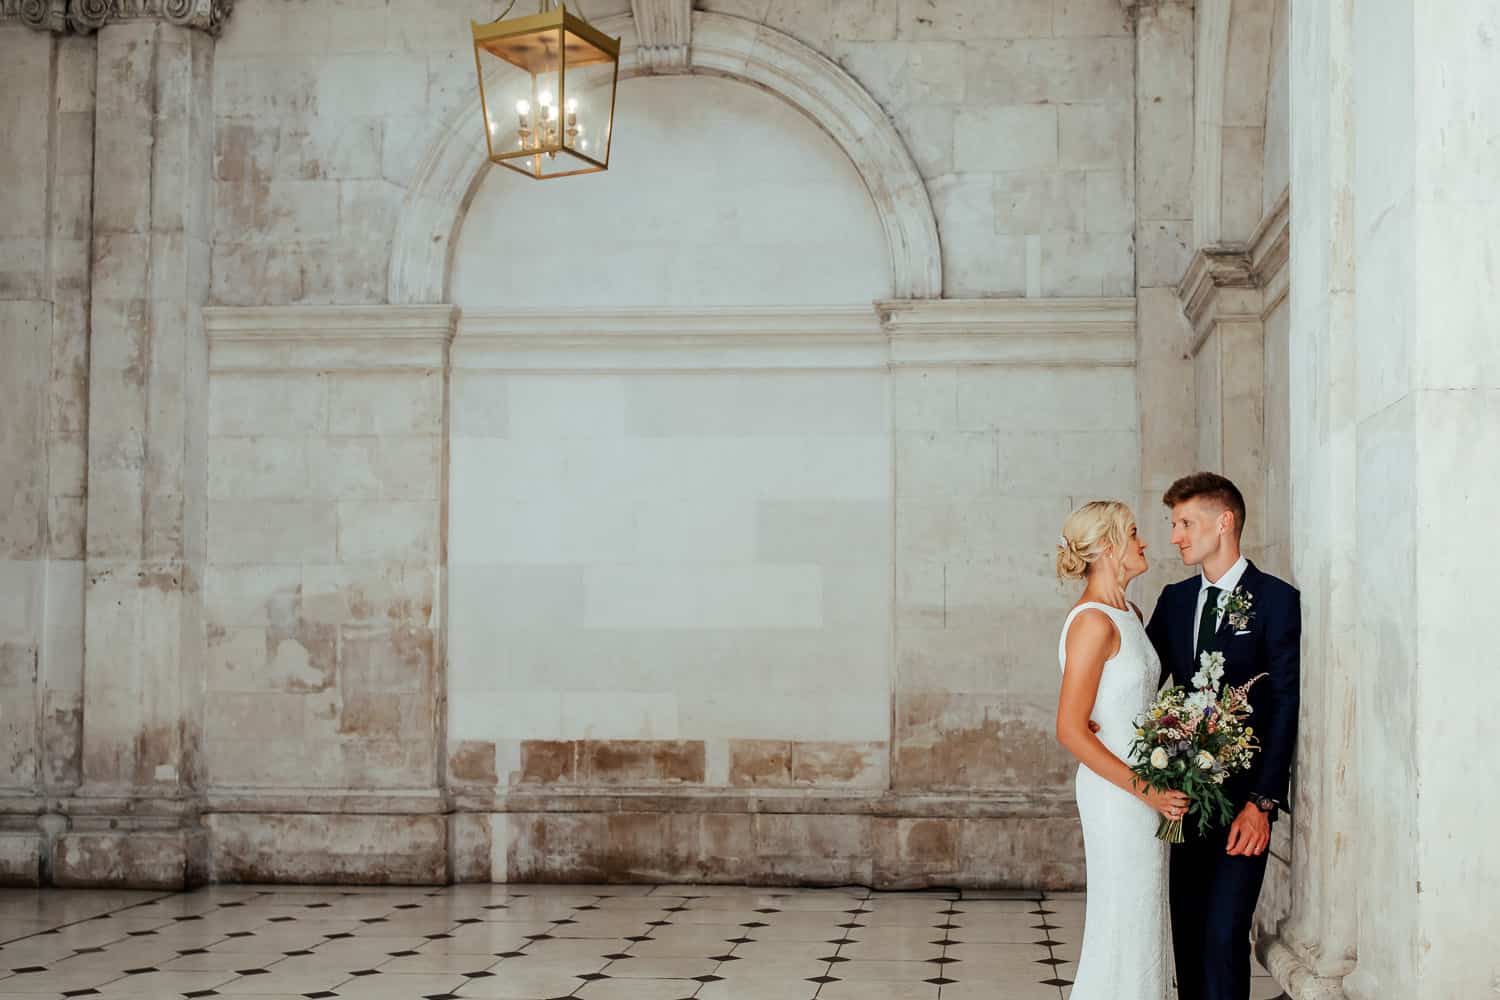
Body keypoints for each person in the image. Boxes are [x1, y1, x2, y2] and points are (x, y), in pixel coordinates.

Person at [1145, 473, 1300, 1000]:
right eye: (1173, 524)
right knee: (1187, 937)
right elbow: (1144, 683)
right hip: (1184, 803)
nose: (1175, 536)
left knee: (1224, 935)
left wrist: (1263, 801)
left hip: (1244, 807)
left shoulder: (1277, 601)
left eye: (1185, 523)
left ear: (1224, 522)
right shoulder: (1174, 600)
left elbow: (1285, 704)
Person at [1056, 500, 1187, 1000]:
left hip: (1145, 792)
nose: (1145, 542)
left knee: (1144, 918)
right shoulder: (1094, 622)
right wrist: (1148, 791)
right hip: (1120, 796)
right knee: (1122, 916)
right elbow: (1070, 728)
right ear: (1110, 547)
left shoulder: (1127, 612)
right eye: (1134, 533)